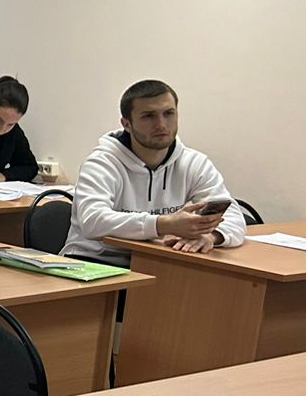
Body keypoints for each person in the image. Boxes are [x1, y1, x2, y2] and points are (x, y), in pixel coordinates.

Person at [63, 79, 246, 264]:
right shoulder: (102, 163)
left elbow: (234, 217)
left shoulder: (194, 163)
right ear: (127, 124)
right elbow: (93, 221)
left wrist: (210, 236)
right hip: (92, 261)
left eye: (168, 114)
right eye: (149, 116)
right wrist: (163, 224)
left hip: (157, 260)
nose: (161, 124)